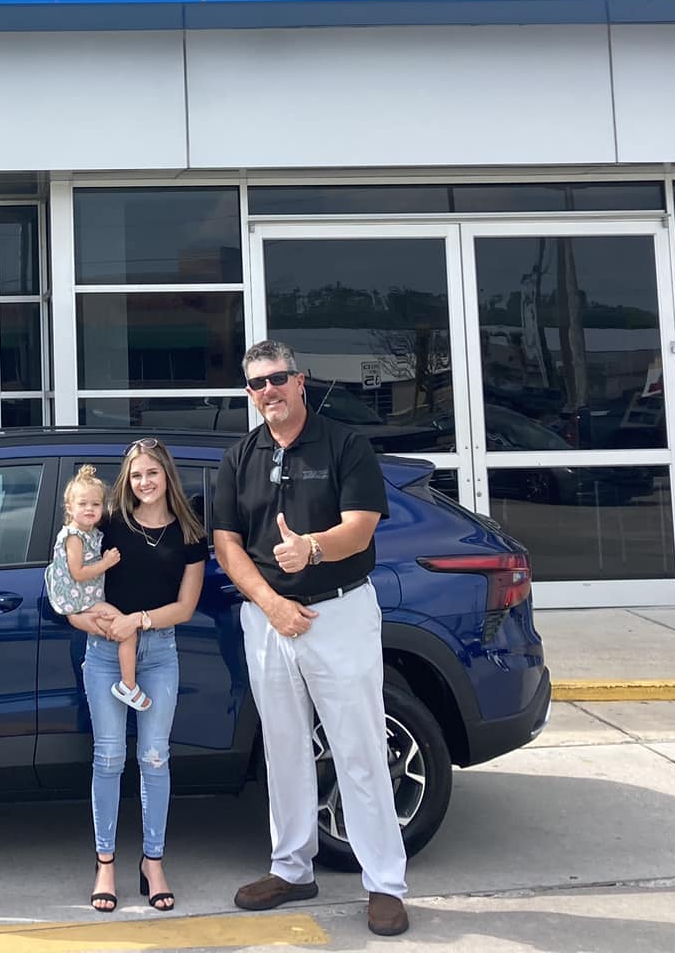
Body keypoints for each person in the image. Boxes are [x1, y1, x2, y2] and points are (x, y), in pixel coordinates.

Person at [212, 339, 409, 938]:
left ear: (300, 381)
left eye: (278, 379)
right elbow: (227, 544)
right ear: (249, 394)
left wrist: (312, 549)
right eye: (257, 384)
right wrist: (271, 603)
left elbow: (361, 528)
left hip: (338, 614)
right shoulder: (239, 457)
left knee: (359, 748)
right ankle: (292, 869)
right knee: (283, 748)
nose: (268, 391)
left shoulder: (345, 445)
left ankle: (385, 884)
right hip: (268, 619)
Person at [69, 438, 206, 916]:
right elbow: (72, 578)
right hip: (105, 651)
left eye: (152, 472)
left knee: (154, 757)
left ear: (167, 474)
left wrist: (139, 621)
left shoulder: (190, 532)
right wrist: (90, 621)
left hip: (160, 652)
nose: (144, 482)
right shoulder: (108, 523)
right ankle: (105, 863)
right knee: (108, 757)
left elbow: (185, 607)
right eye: (136, 475)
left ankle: (153, 862)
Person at [45, 465, 148, 711]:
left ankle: (98, 671)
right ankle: (128, 685)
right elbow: (78, 572)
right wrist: (106, 563)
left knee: (114, 629)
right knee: (127, 630)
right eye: (83, 504)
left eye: (95, 504)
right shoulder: (74, 537)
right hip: (82, 600)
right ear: (69, 508)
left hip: (86, 600)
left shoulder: (90, 533)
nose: (89, 509)